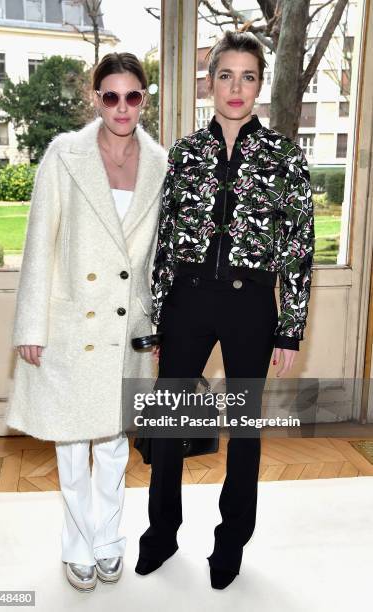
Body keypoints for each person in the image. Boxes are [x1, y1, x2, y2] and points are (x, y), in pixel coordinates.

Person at [135, 31, 315, 590]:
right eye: (226, 76)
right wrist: (159, 317)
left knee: (246, 429)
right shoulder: (185, 153)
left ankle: (230, 543)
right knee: (168, 425)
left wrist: (289, 329)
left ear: (259, 85)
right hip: (187, 300)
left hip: (251, 306)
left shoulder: (284, 156)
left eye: (249, 76)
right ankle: (161, 534)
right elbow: (164, 243)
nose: (236, 88)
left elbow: (300, 247)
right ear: (209, 82)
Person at [6, 52, 168, 592]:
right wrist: (31, 325)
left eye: (133, 96)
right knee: (73, 443)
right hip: (72, 320)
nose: (122, 107)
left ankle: (108, 539)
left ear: (145, 99)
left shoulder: (160, 163)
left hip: (127, 326)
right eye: (110, 96)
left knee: (116, 443)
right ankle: (76, 543)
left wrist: (160, 325)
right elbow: (39, 244)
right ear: (95, 99)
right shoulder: (64, 154)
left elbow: (157, 258)